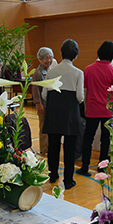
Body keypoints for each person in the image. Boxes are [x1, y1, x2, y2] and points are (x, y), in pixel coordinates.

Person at [42, 39, 84, 190]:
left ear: (60, 54)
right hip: (70, 112)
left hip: (54, 111)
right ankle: (68, 180)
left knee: (53, 145)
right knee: (70, 147)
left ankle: (53, 175)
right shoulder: (79, 73)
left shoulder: (51, 72)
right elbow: (80, 97)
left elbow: (44, 95)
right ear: (76, 55)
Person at [76, 41, 113, 176]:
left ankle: (84, 166)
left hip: (92, 109)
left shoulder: (88, 69)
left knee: (88, 138)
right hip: (108, 110)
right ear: (112, 56)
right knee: (105, 140)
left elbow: (85, 89)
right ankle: (102, 166)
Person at [31, 47, 54, 155]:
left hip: (51, 104)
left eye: (51, 58)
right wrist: (38, 104)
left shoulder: (51, 71)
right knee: (43, 127)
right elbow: (35, 91)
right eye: (46, 58)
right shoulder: (37, 73)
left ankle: (51, 147)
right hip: (42, 105)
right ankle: (44, 149)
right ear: (40, 59)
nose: (49, 60)